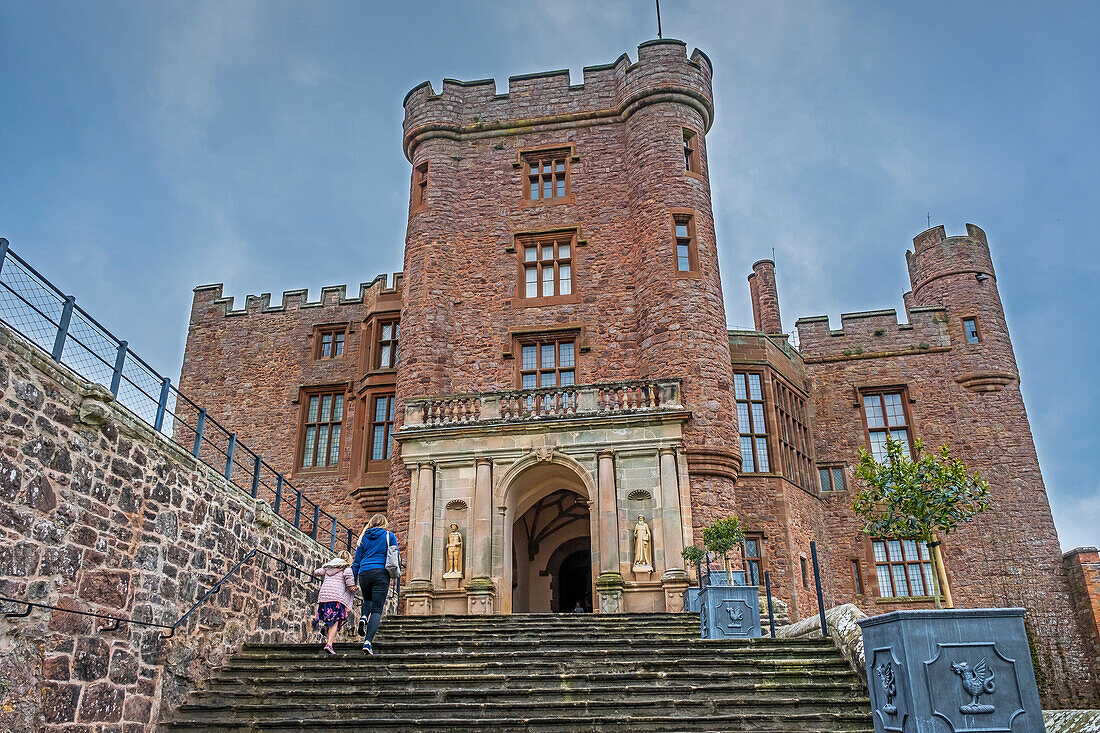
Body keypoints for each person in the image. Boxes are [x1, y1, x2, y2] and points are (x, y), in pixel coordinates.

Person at [352, 513, 399, 655]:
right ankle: (367, 642)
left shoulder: (363, 537)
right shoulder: (388, 536)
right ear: (384, 523)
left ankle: (363, 617)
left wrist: (353, 580)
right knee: (377, 609)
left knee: (368, 600)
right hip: (380, 572)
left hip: (364, 572)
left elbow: (356, 561)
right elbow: (395, 554)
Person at [312, 550, 356, 655]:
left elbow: (317, 572)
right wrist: (354, 588)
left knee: (330, 616)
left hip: (324, 597)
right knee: (336, 620)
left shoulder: (328, 567)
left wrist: (326, 567)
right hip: (336, 597)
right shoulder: (346, 569)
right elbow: (350, 584)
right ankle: (329, 644)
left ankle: (326, 627)